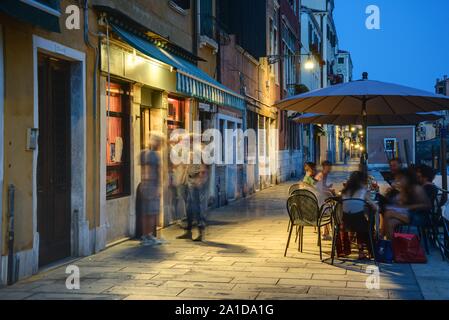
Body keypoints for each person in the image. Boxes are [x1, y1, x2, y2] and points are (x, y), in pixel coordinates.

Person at [382, 169, 431, 240]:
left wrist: (409, 207)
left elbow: (427, 206)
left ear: (407, 178)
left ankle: (382, 239)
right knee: (390, 223)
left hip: (419, 216)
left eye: (400, 178)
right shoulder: (406, 189)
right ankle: (392, 244)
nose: (398, 181)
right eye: (397, 179)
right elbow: (401, 203)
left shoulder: (417, 188)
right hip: (408, 214)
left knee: (388, 213)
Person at [339, 171, 379, 260]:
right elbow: (375, 206)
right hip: (359, 224)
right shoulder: (363, 191)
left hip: (345, 223)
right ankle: (364, 251)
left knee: (357, 220)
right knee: (366, 224)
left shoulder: (343, 192)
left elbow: (342, 206)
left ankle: (344, 251)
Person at [177, 146, 210, 242]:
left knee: (196, 206)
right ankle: (188, 231)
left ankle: (200, 232)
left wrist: (200, 179)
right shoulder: (189, 152)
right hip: (189, 180)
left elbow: (204, 167)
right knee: (189, 207)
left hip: (196, 180)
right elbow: (187, 167)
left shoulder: (198, 152)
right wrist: (183, 179)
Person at [139, 133, 164, 246]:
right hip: (152, 186)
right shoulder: (155, 155)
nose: (160, 145)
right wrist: (158, 188)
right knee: (152, 213)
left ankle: (146, 235)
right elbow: (158, 173)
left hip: (144, 185)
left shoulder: (143, 153)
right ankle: (149, 236)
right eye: (160, 142)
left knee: (146, 213)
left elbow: (143, 171)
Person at [315, 161, 335, 240]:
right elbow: (319, 189)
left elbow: (323, 187)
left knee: (330, 206)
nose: (330, 168)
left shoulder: (325, 175)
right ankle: (325, 233)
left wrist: (328, 187)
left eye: (330, 167)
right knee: (329, 209)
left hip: (322, 197)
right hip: (319, 199)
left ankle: (326, 232)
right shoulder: (321, 175)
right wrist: (329, 191)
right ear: (325, 167)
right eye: (329, 167)